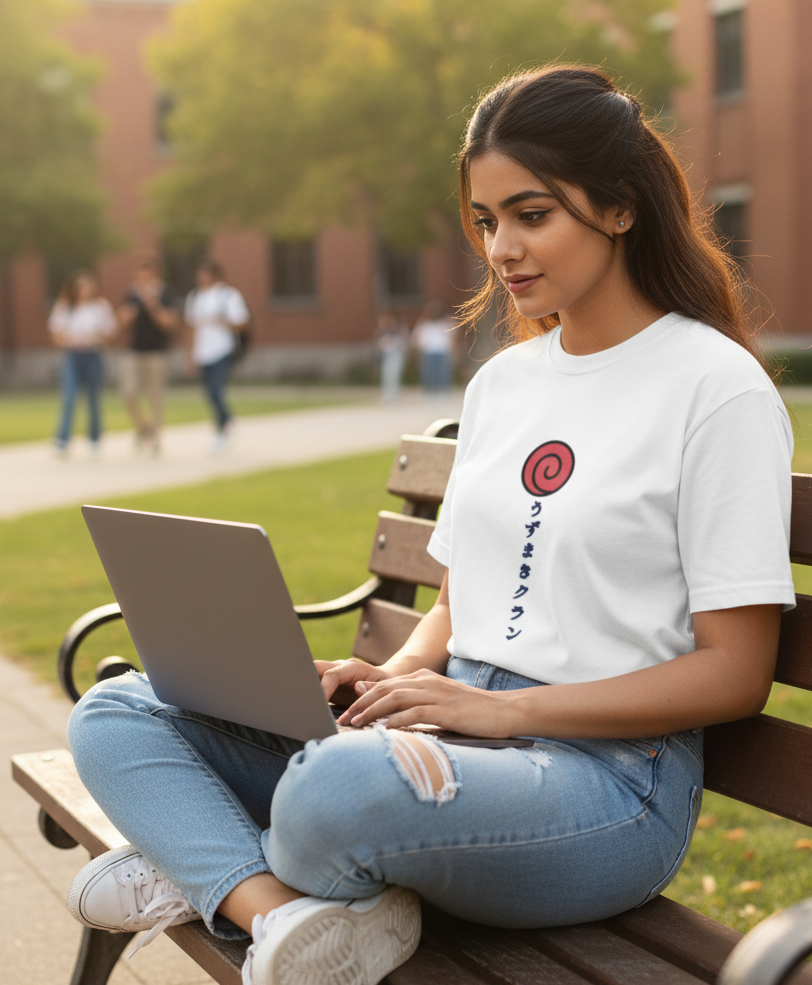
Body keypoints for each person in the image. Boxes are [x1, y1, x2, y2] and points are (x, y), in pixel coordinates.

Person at [65, 66, 795, 985]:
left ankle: (199, 861)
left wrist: (497, 709)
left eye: (533, 215)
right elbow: (462, 596)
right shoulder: (505, 383)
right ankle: (279, 913)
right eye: (487, 222)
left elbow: (734, 674)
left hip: (606, 785)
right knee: (121, 709)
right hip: (447, 744)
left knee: (339, 790)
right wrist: (394, 678)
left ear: (619, 208)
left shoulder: (713, 388)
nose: (502, 249)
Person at [48, 269, 118, 458]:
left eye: (87, 285)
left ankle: (94, 439)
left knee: (94, 398)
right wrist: (70, 340)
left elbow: (110, 333)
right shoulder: (65, 306)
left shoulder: (100, 306)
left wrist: (95, 337)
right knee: (69, 396)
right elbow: (55, 334)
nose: (83, 289)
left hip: (93, 354)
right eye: (80, 286)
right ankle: (63, 440)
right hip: (72, 355)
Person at [117, 253, 179, 456]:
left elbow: (169, 323)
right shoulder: (131, 293)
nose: (144, 276)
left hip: (157, 352)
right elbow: (121, 322)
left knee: (155, 396)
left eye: (148, 271)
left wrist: (153, 305)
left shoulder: (165, 293)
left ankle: (156, 440)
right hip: (134, 351)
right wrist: (129, 314)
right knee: (128, 392)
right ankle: (145, 427)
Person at [184, 261, 249, 455]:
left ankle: (221, 429)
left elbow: (242, 323)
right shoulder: (195, 296)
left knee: (216, 390)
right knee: (208, 393)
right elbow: (192, 327)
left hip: (222, 349)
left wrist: (224, 322)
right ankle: (227, 421)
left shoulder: (227, 295)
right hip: (202, 352)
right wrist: (190, 354)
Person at [412, 301, 456, 395]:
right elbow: (417, 337)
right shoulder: (424, 325)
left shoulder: (444, 324)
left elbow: (453, 334)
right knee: (429, 373)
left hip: (442, 352)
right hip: (429, 353)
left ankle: (442, 392)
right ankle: (429, 392)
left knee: (442, 373)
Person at [376, 313, 409, 402]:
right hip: (387, 356)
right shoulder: (383, 332)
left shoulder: (398, 331)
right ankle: (386, 395)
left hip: (396, 355)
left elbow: (403, 343)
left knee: (395, 376)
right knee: (386, 376)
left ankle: (395, 395)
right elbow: (380, 344)